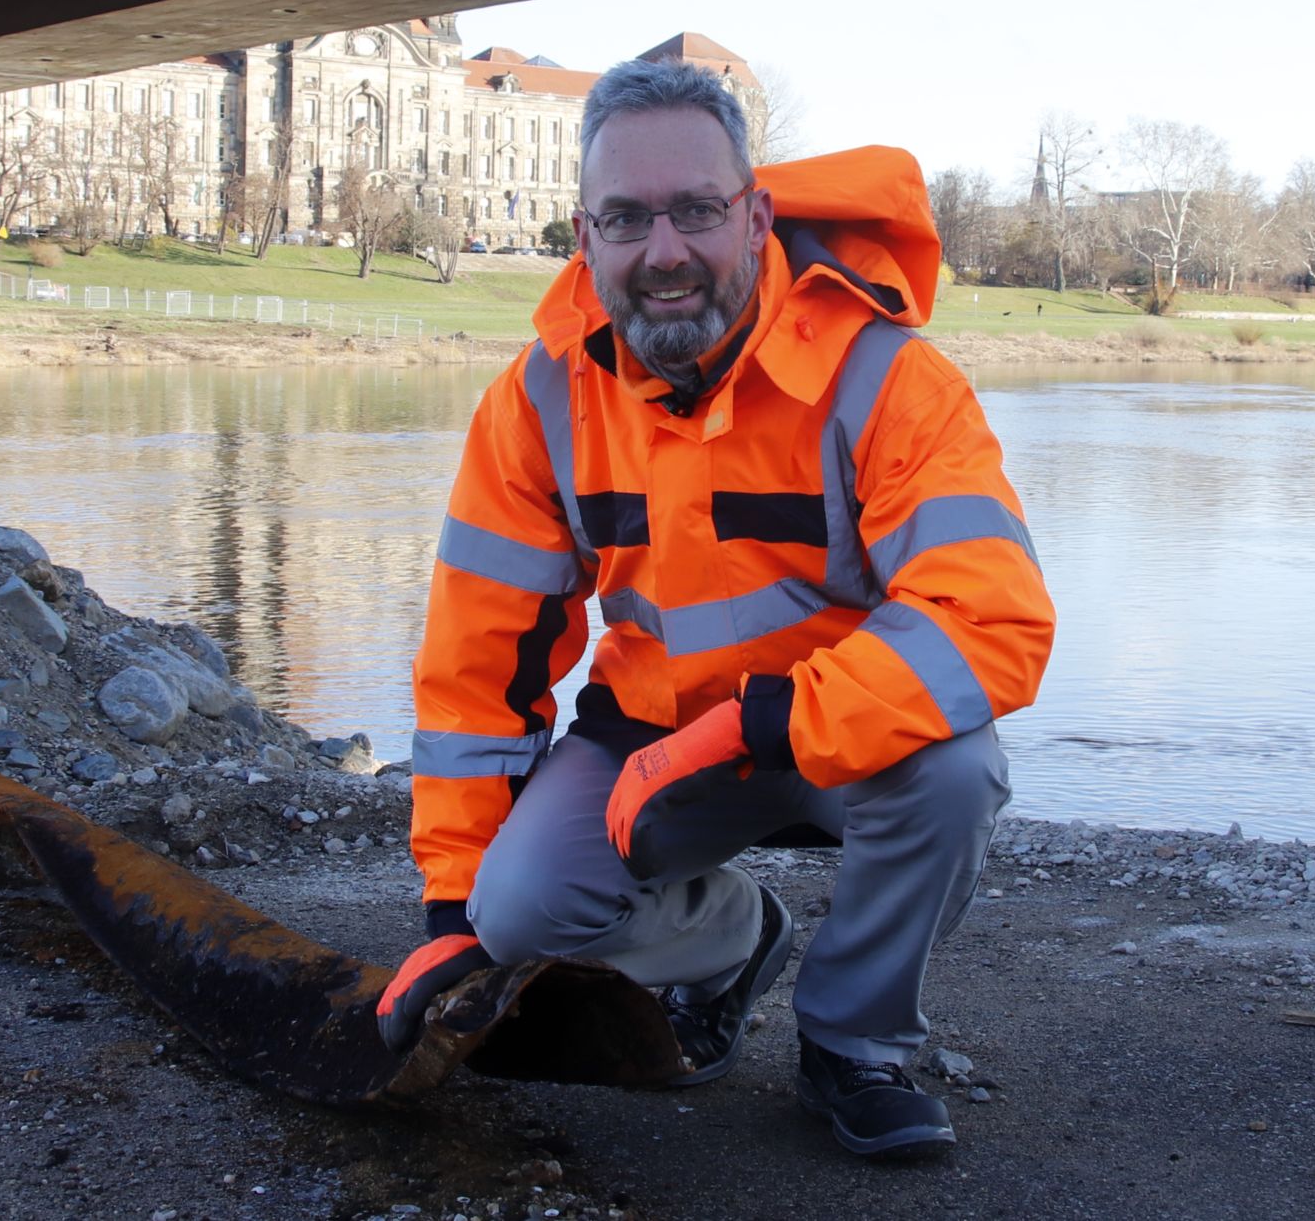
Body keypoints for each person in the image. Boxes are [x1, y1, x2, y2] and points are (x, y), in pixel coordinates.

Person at [374, 57, 1054, 1160]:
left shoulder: (887, 377)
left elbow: (991, 614)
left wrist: (762, 721)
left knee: (956, 771)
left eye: (697, 211)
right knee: (519, 913)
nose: (666, 252)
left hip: (843, 737)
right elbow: (476, 672)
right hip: (649, 734)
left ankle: (855, 1047)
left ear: (756, 216)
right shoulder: (539, 397)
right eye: (628, 219)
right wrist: (452, 918)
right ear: (585, 237)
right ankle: (737, 940)